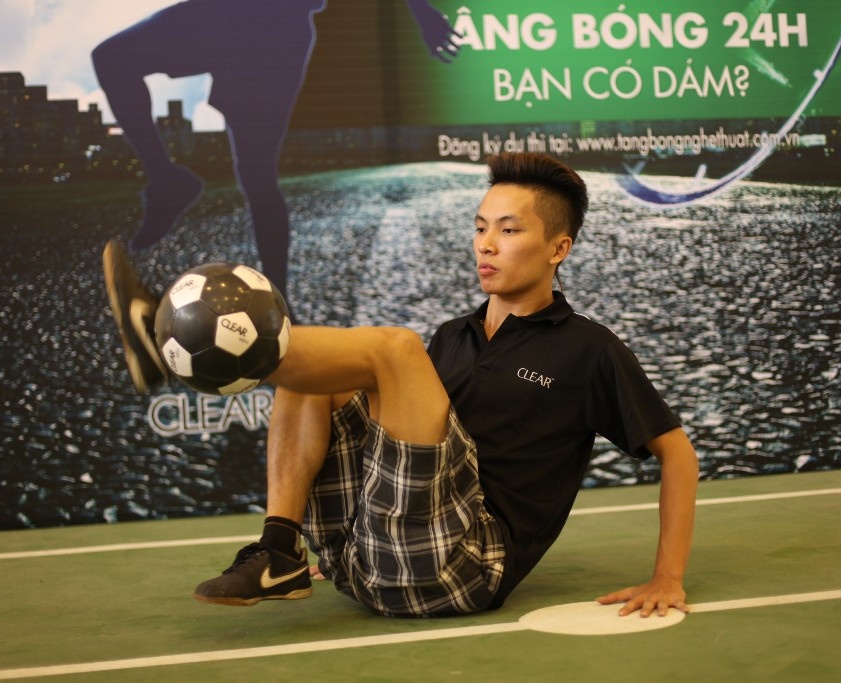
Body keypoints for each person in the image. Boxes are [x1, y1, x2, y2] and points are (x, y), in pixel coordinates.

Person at [103, 151, 699, 618]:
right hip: (366, 558)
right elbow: (403, 452)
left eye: (509, 230)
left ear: (558, 248)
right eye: (480, 227)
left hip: (462, 565)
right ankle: (279, 551)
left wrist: (667, 577)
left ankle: (167, 347)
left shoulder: (588, 349)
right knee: (319, 374)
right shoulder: (454, 337)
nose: (486, 244)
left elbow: (678, 455)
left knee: (393, 348)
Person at [92, 0, 460, 303]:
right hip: (225, 14)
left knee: (257, 175)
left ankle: (277, 304)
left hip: (273, 27)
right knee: (112, 57)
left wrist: (422, 11)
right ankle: (166, 179)